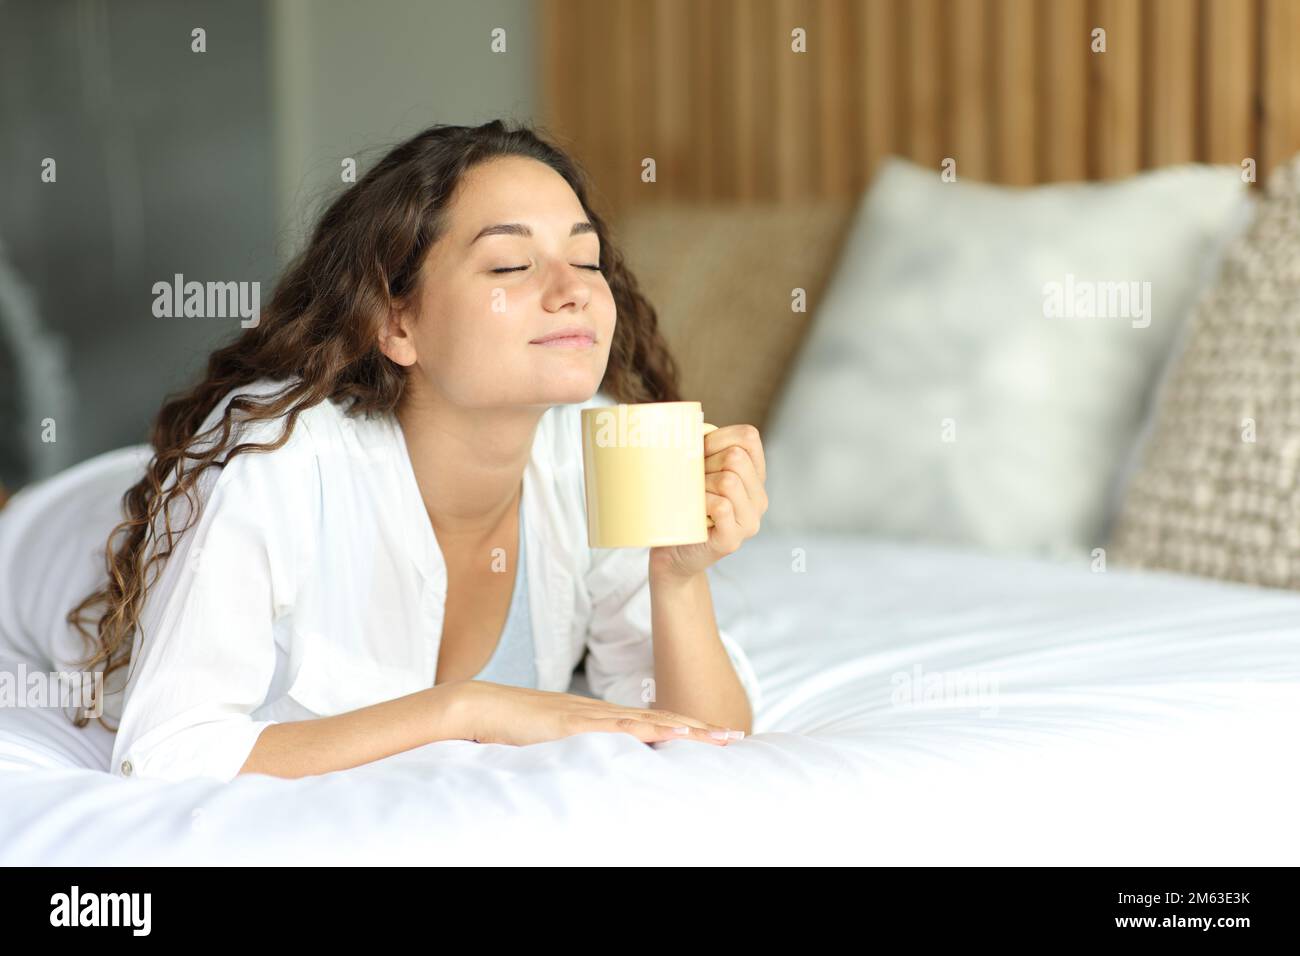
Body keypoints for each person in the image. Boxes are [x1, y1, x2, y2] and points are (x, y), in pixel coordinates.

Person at [24, 120, 768, 783]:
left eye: (588, 259)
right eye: (511, 265)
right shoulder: (271, 462)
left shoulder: (597, 450)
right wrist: (461, 711)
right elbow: (169, 752)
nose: (573, 289)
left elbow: (709, 739)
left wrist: (676, 579)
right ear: (397, 323)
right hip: (62, 532)